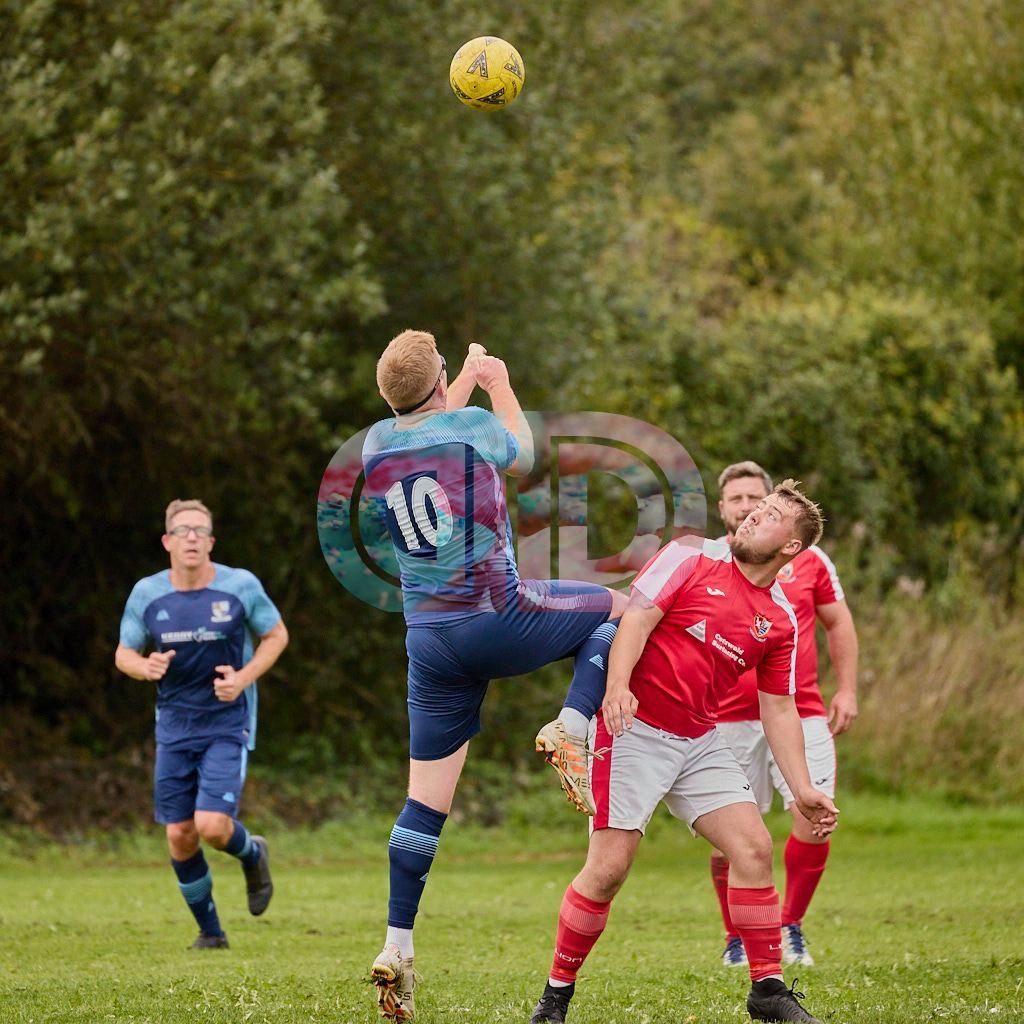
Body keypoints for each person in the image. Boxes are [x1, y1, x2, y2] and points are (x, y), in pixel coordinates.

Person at [364, 330, 628, 1021]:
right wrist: (496, 382)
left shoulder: (375, 446)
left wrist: (456, 377)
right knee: (622, 611)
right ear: (441, 381)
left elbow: (429, 418)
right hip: (494, 614)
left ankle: (397, 945)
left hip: (429, 640)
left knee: (424, 803)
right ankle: (573, 725)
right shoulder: (475, 426)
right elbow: (523, 454)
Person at [528, 481, 838, 1024]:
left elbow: (778, 709)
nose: (752, 515)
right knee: (608, 870)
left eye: (769, 515)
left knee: (754, 849)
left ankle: (767, 990)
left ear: (791, 546)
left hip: (699, 739)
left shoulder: (779, 619)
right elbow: (635, 620)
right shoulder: (690, 555)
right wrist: (616, 687)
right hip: (632, 728)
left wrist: (804, 787)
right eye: (755, 508)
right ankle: (555, 997)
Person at [114, 499, 289, 949]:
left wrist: (243, 679)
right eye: (182, 530)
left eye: (200, 531)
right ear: (167, 541)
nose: (191, 537)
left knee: (211, 826)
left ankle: (252, 853)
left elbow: (276, 635)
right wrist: (144, 667)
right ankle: (211, 935)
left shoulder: (240, 586)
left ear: (211, 542)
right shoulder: (147, 593)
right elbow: (124, 653)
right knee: (180, 834)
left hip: (227, 721)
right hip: (174, 725)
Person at [710, 462, 858, 968]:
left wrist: (848, 690)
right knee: (729, 834)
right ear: (722, 509)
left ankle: (789, 925)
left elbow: (838, 623)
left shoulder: (811, 560)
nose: (747, 507)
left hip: (800, 708)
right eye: (737, 499)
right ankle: (736, 937)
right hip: (724, 716)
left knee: (813, 819)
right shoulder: (708, 561)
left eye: (757, 498)